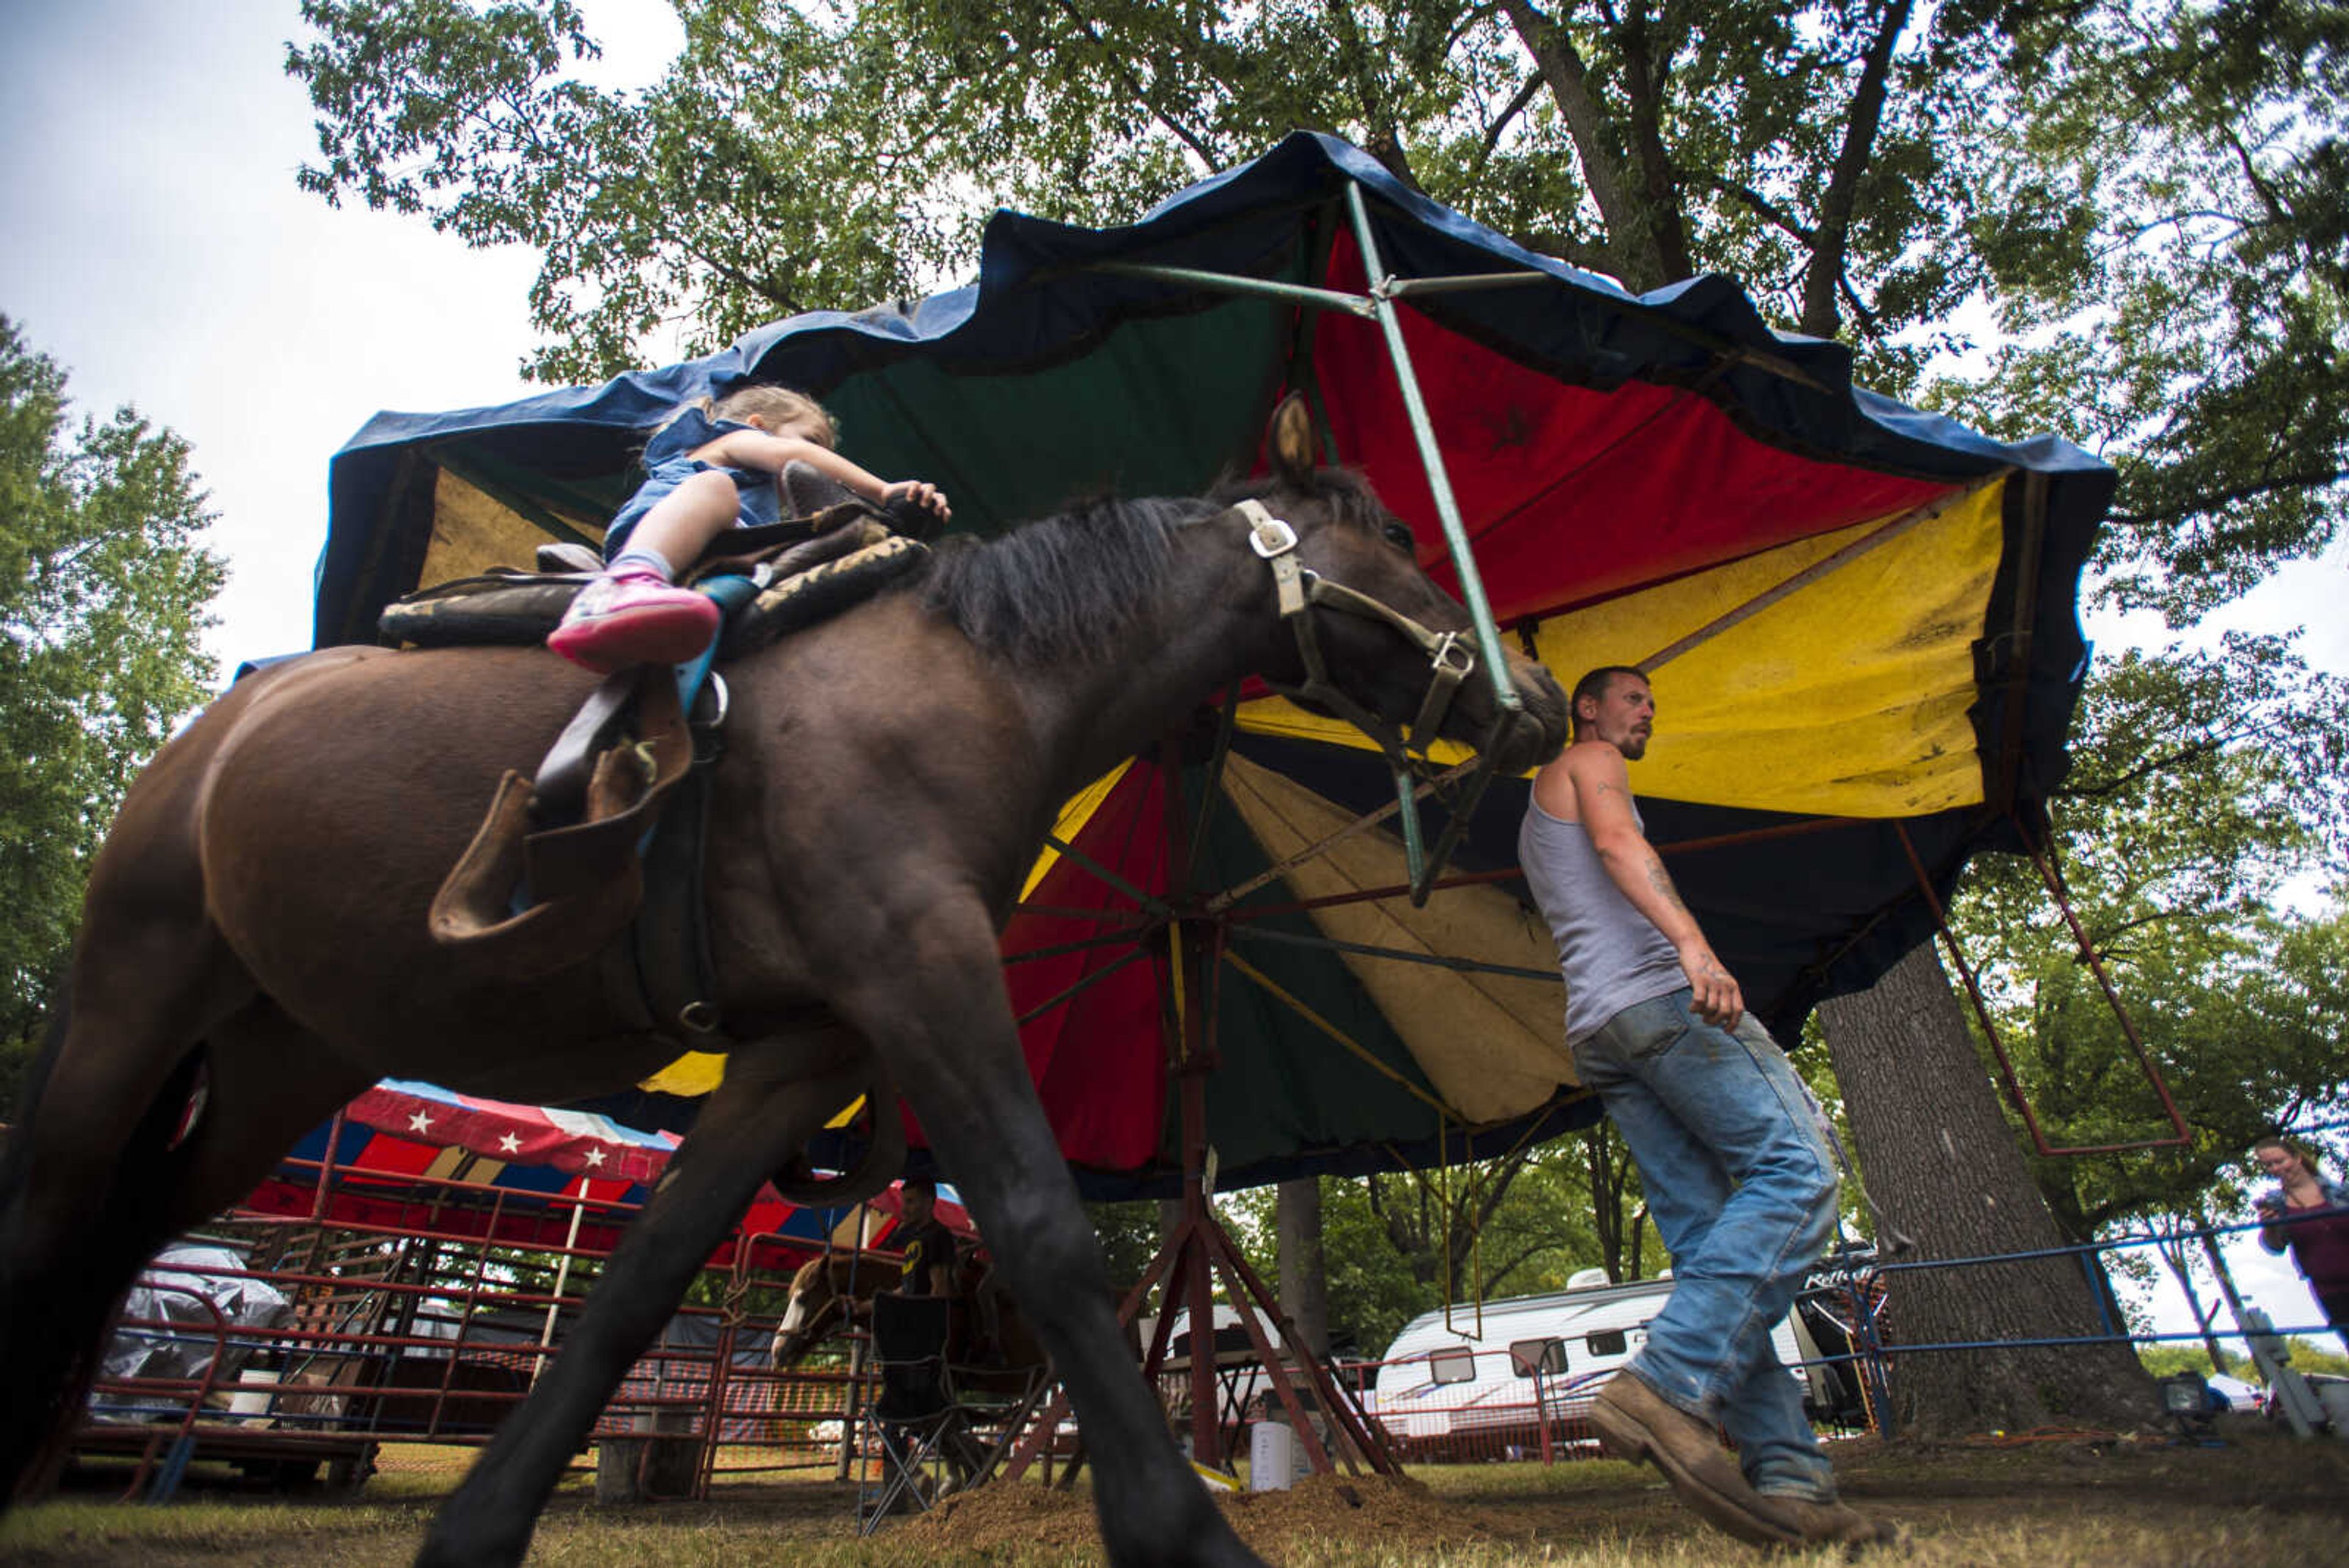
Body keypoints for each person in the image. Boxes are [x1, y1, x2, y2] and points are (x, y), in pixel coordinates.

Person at [1518, 665, 1896, 1551]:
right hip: (1658, 1003)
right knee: (1799, 1172)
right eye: (1634, 697)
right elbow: (1619, 846)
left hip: (1601, 1031)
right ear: (1588, 707)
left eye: (1653, 701)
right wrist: (1696, 948)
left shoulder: (1538, 808)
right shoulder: (1590, 760)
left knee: (1707, 1244)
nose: (1648, 710)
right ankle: (1666, 1379)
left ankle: (1792, 1477)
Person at [548, 384, 951, 674]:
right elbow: (792, 454)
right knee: (716, 487)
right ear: (759, 425)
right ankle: (628, 579)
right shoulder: (734, 443)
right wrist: (882, 491)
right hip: (668, 529)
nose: (818, 459)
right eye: (814, 441)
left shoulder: (764, 512)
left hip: (723, 549)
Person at [2252, 1136, 2349, 1352]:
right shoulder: (2277, 1205)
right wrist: (2270, 1227)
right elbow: (2275, 1247)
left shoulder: (2341, 1192)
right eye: (2269, 1165)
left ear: (2296, 1158)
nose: (2276, 1168)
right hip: (2331, 1292)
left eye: (2280, 1161)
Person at [890, 1175, 960, 1299]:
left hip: (923, 1314)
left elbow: (940, 1288)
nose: (904, 1209)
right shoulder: (916, 1236)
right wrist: (865, 1306)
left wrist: (925, 1317)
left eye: (910, 1202)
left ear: (928, 1202)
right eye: (904, 1202)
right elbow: (909, 1287)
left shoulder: (938, 1235)